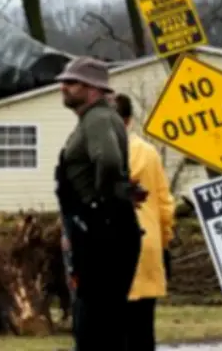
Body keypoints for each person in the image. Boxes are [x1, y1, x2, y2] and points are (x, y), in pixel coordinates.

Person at [53, 57, 144, 351]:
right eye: (63, 82)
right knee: (103, 317)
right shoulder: (96, 119)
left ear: (92, 89)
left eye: (71, 82)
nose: (63, 87)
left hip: (102, 231)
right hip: (105, 228)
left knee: (96, 319)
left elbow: (108, 161)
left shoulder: (99, 118)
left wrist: (97, 205)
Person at [112, 93, 176, 351]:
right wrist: (166, 242)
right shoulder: (148, 153)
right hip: (147, 242)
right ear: (129, 121)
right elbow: (164, 205)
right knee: (142, 328)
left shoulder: (94, 152)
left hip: (110, 246)